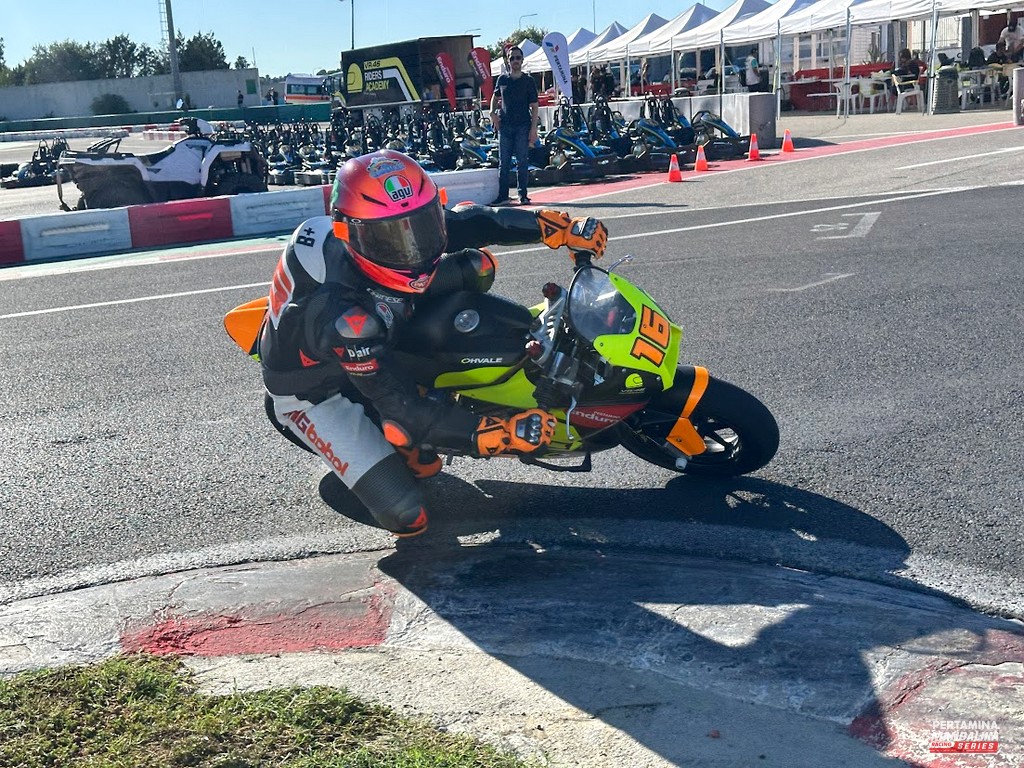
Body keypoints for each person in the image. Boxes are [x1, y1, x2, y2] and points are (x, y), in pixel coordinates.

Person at [258, 149, 608, 538]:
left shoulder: (376, 227)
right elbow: (404, 410)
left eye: (422, 226)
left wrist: (552, 226)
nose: (413, 250)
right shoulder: (344, 319)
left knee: (477, 265)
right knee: (408, 515)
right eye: (391, 242)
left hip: (374, 311)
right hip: (317, 390)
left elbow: (474, 221)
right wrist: (494, 433)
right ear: (349, 235)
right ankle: (387, 449)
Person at [490, 46, 539, 205]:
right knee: (504, 163)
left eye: (518, 58)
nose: (515, 61)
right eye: (512, 58)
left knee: (522, 161)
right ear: (508, 61)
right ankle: (503, 195)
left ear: (522, 60)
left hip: (522, 126)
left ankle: (522, 194)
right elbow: (495, 97)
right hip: (505, 126)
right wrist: (492, 113)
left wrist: (533, 129)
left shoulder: (528, 81)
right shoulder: (502, 79)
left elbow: (534, 106)